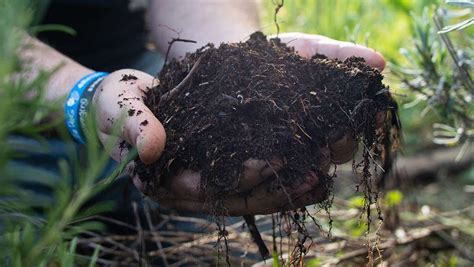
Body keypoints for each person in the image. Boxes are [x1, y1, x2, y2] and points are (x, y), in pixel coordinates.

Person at [22, 0, 386, 216]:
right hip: (18, 114)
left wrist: (232, 54)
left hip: (136, 77)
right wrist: (82, 96)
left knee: (221, 198)